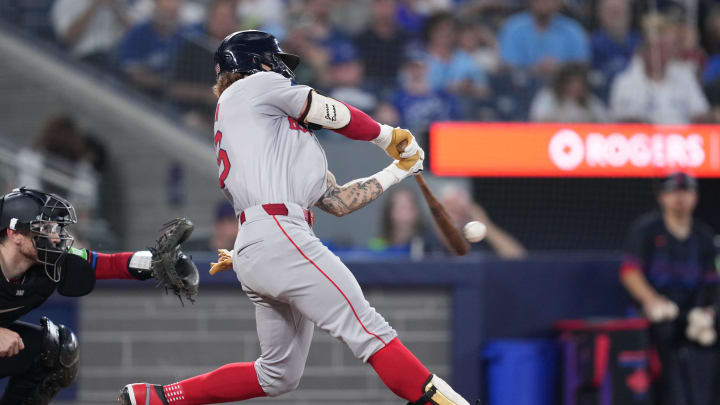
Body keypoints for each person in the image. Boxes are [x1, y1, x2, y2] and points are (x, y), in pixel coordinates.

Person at [118, 30, 471, 405]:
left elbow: (338, 201)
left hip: (262, 242)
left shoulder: (271, 132)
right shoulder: (252, 87)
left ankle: (159, 397)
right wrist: (386, 135)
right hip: (278, 233)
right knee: (369, 329)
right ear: (255, 62)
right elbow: (326, 110)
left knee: (277, 374)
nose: (282, 68)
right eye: (275, 60)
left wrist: (397, 171)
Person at [0, 187, 197, 404]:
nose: (55, 237)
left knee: (56, 350)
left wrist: (154, 263)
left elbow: (106, 263)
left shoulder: (49, 263)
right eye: (44, 228)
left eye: (54, 228)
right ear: (15, 233)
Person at [619, 172, 719, 405]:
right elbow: (630, 273)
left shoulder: (704, 236)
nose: (680, 198)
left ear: (695, 196)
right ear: (662, 197)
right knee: (664, 330)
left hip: (693, 313)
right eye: (673, 192)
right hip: (658, 312)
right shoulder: (646, 230)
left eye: (686, 192)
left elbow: (713, 284)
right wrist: (653, 301)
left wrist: (708, 313)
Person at [609, 14, 712, 124]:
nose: (659, 54)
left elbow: (701, 112)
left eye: (664, 47)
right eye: (654, 48)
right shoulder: (624, 82)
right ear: (642, 51)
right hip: (643, 138)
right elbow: (618, 121)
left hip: (681, 137)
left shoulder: (685, 75)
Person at [169, 0, 239, 128]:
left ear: (234, 23)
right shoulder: (193, 45)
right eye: (217, 16)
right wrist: (206, 94)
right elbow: (172, 88)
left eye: (225, 18)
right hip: (181, 113)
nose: (220, 22)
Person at [117, 0, 195, 98]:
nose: (167, 17)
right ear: (156, 8)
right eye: (164, 11)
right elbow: (132, 73)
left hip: (166, 100)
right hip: (132, 92)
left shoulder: (184, 38)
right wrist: (164, 81)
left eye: (171, 13)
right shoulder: (139, 31)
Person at [427, 186, 526, 259]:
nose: (454, 218)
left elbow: (519, 259)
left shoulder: (477, 247)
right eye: (451, 210)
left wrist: (486, 226)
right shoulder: (423, 243)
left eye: (460, 212)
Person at [498, 0, 589, 77]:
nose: (544, 1)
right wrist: (535, 69)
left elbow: (582, 67)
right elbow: (507, 66)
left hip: (563, 91)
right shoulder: (513, 27)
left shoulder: (573, 30)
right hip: (523, 90)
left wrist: (560, 68)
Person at [50, 0, 132, 67]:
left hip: (117, 59)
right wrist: (94, 5)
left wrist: (117, 8)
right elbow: (67, 38)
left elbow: (136, 39)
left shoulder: (120, 3)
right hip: (85, 58)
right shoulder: (68, 2)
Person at [590, 0, 640, 95]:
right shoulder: (592, 44)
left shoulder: (640, 42)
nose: (616, 16)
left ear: (629, 13)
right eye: (611, 11)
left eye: (620, 11)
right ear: (600, 15)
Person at [530, 62, 608, 122]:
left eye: (579, 83)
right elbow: (538, 118)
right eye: (571, 82)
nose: (576, 87)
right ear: (562, 83)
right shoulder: (548, 97)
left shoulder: (589, 101)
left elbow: (606, 119)